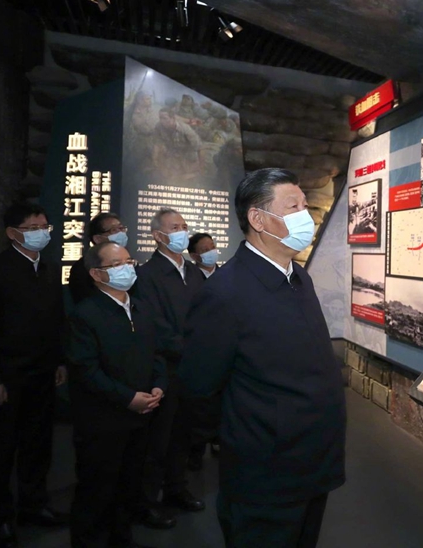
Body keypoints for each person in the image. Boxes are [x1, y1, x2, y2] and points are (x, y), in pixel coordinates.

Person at [180, 168, 346, 548]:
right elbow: (199, 386)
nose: (306, 216)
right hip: (266, 474)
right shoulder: (225, 293)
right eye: (293, 207)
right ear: (258, 219)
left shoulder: (299, 277)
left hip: (313, 462)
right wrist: (246, 437)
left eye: (305, 205)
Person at [0, 202, 69, 548]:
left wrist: (58, 361)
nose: (42, 233)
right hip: (6, 378)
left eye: (45, 227)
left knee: (38, 446)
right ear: (13, 233)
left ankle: (34, 505)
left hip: (42, 375)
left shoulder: (48, 269)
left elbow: (55, 321)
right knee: (1, 450)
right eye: (33, 228)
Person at [67, 242, 166, 548]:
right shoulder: (86, 314)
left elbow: (157, 353)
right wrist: (127, 398)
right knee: (97, 488)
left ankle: (121, 539)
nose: (127, 269)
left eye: (129, 261)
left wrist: (158, 385)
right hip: (103, 419)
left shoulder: (142, 307)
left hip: (141, 416)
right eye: (117, 264)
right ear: (97, 274)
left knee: (128, 484)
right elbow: (86, 370)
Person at [134, 208, 205, 529]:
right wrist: (189, 349)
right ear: (158, 235)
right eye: (175, 227)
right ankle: (147, 502)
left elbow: (207, 315)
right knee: (157, 439)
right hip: (165, 368)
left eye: (184, 226)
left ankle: (176, 488)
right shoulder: (147, 275)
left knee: (183, 434)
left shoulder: (193, 272)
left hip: (193, 368)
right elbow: (154, 325)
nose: (182, 231)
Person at [185, 233, 222, 471]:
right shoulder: (189, 278)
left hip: (223, 348)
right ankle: (195, 451)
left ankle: (219, 442)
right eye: (205, 249)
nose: (211, 251)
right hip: (198, 350)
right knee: (198, 406)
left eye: (213, 246)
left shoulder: (227, 275)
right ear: (194, 255)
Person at [69, 212, 129, 304]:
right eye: (114, 230)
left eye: (121, 228)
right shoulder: (82, 268)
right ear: (98, 239)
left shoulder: (129, 262)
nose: (121, 233)